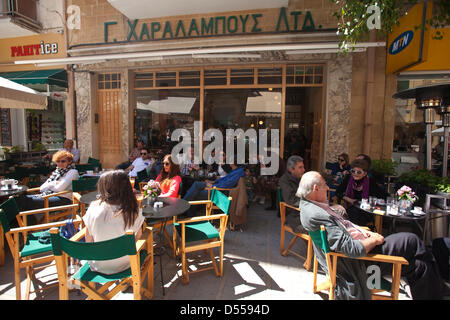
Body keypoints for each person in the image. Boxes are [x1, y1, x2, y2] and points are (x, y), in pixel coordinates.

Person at [297, 171, 447, 300]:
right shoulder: (316, 214)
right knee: (412, 240)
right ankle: (441, 279)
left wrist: (366, 232)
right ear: (316, 188)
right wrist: (374, 240)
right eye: (325, 185)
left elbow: (344, 229)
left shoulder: (312, 207)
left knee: (421, 266)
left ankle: (439, 282)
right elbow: (351, 249)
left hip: (360, 251)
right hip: (363, 263)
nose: (328, 188)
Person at [83, 170, 145, 275]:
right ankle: (128, 282)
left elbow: (89, 239)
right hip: (127, 264)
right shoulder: (134, 213)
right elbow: (137, 238)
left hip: (98, 264)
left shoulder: (93, 209)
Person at [336, 158, 388, 227]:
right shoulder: (348, 178)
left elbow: (384, 195)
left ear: (365, 173)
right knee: (352, 212)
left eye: (359, 172)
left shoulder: (370, 182)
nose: (355, 174)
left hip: (365, 210)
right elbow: (338, 192)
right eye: (353, 171)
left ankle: (355, 232)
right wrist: (349, 199)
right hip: (350, 206)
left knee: (357, 213)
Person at [278, 155, 306, 231]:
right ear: (291, 170)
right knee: (321, 225)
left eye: (303, 167)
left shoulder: (301, 178)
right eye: (300, 167)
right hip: (294, 216)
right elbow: (292, 201)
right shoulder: (284, 181)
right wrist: (310, 204)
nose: (304, 170)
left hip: (305, 212)